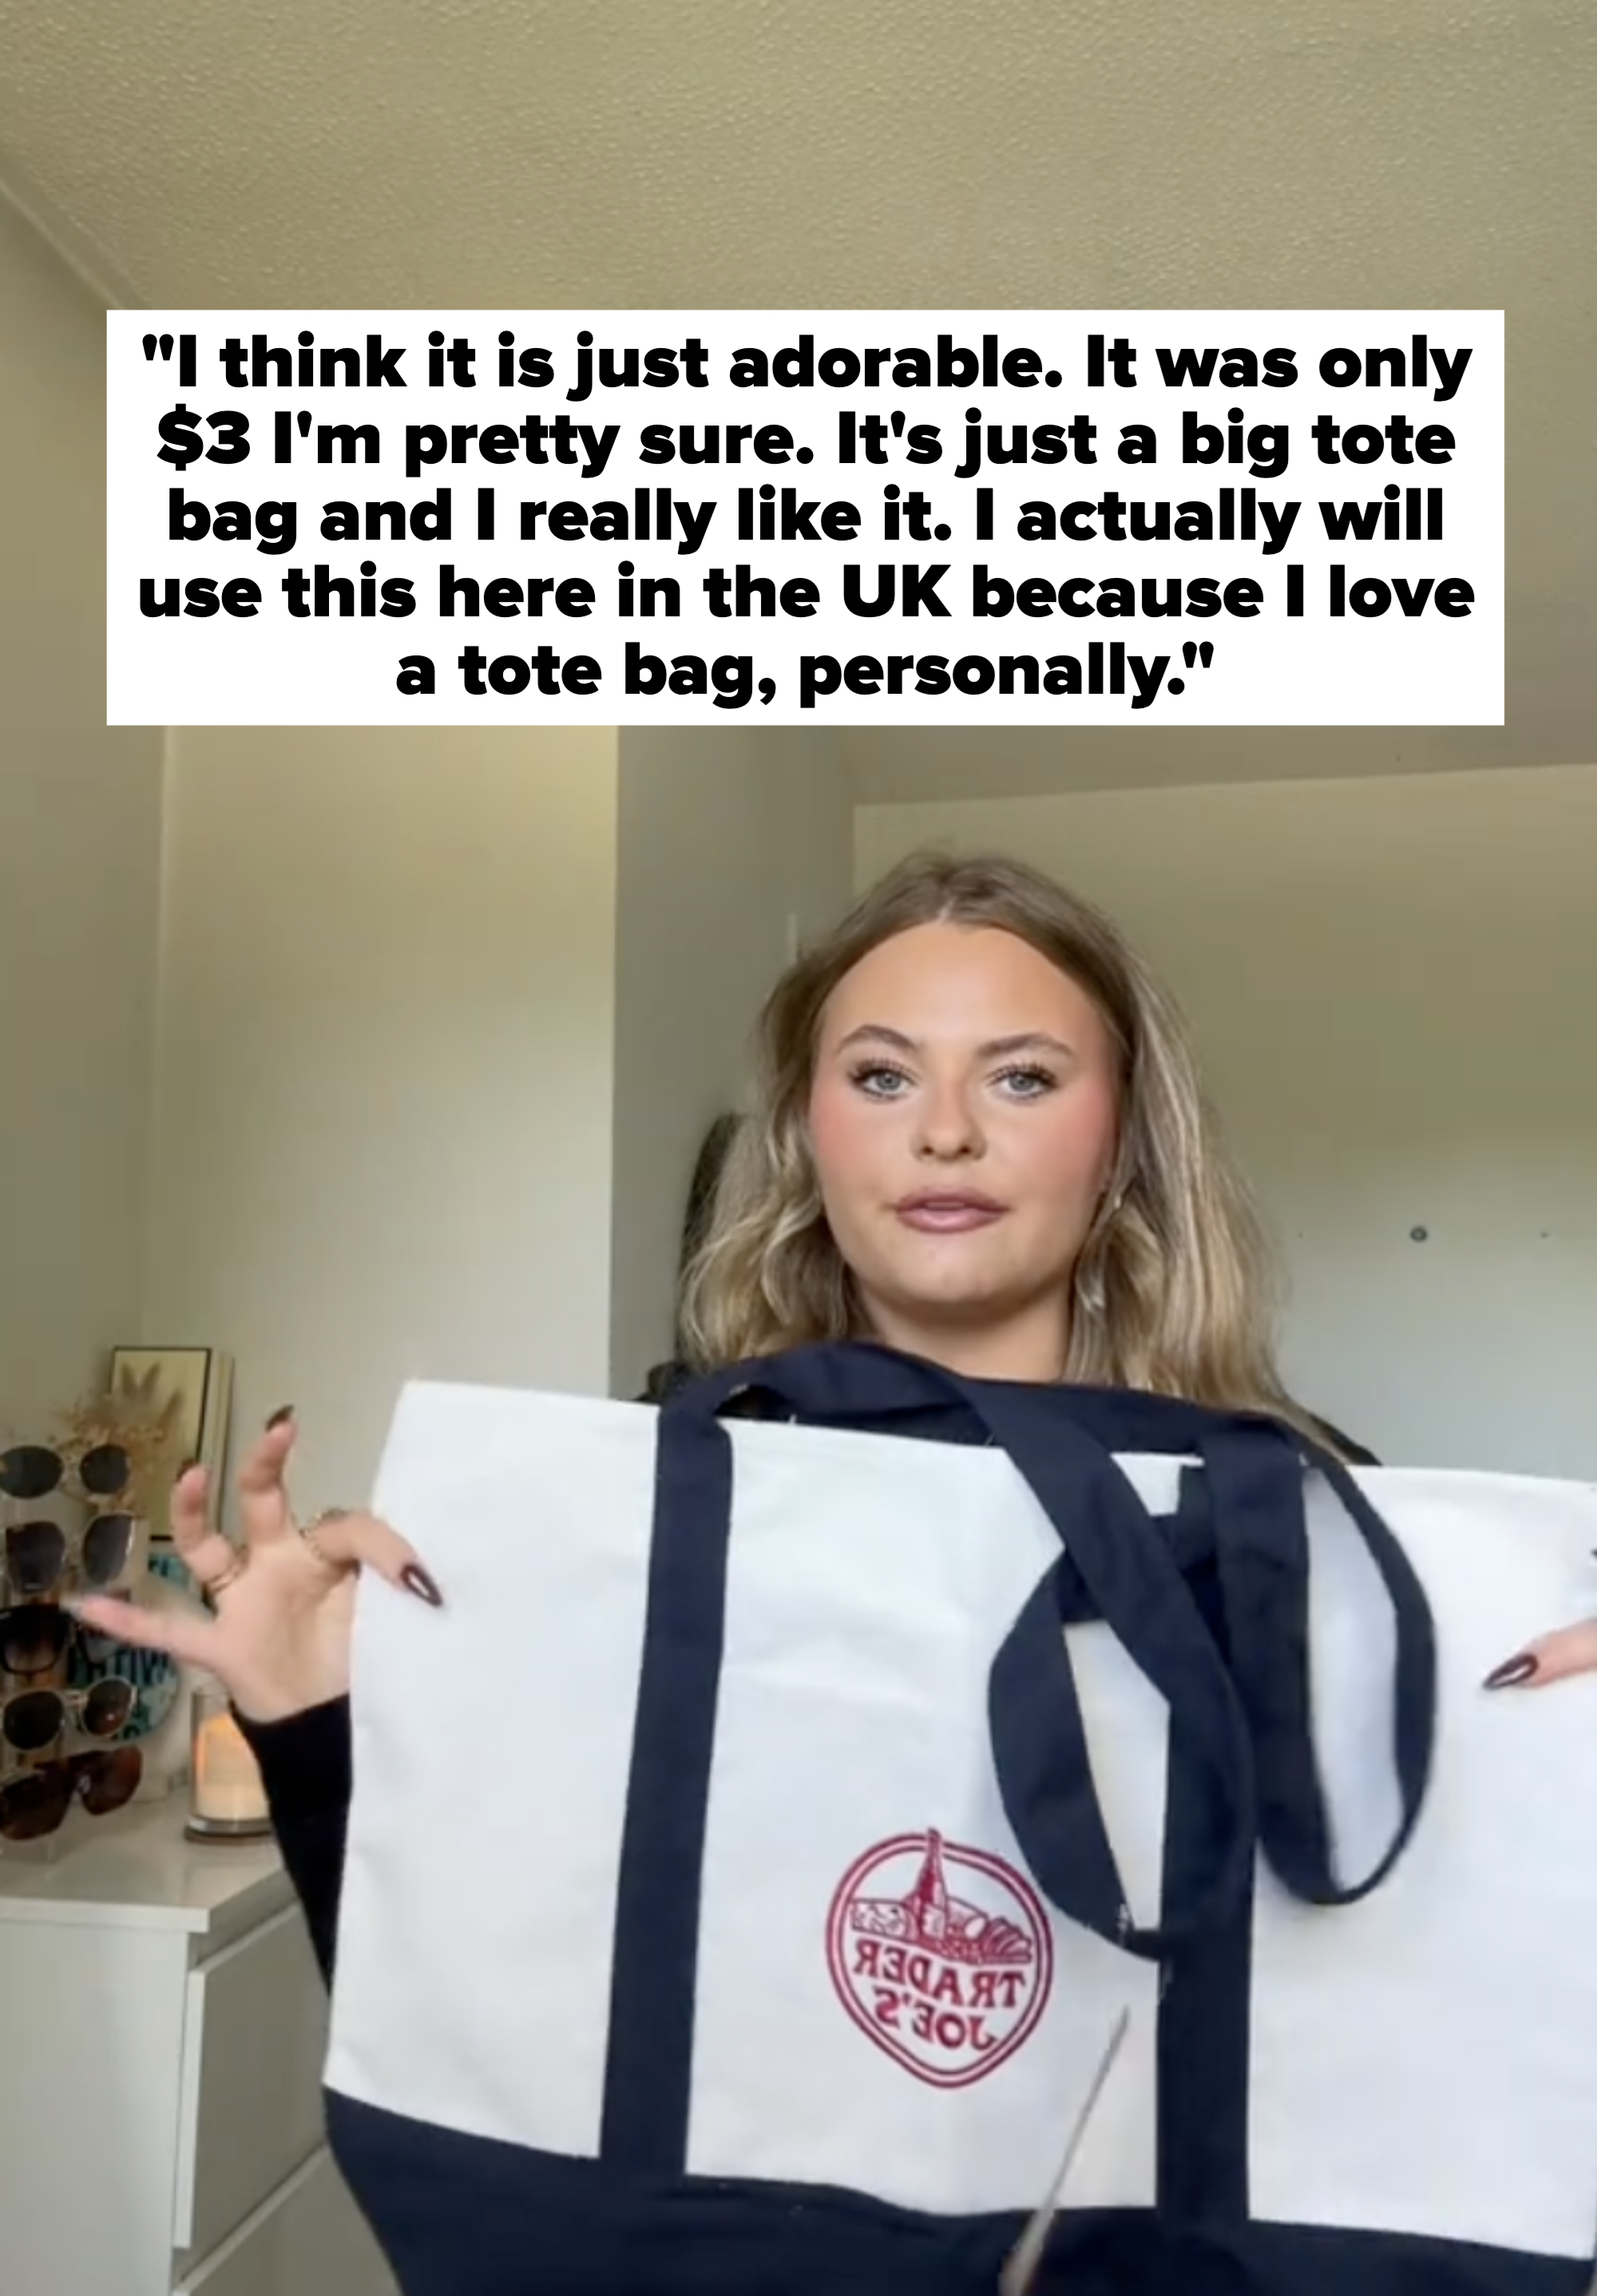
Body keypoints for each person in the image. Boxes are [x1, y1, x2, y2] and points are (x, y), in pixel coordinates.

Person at [73, 845, 1591, 1981]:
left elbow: (1433, 2000)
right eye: (880, 1075)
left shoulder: (1315, 1524)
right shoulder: (640, 1521)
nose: (943, 1131)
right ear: (810, 1129)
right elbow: (483, 2032)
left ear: (1118, 1139)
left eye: (1020, 1076)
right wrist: (315, 1719)